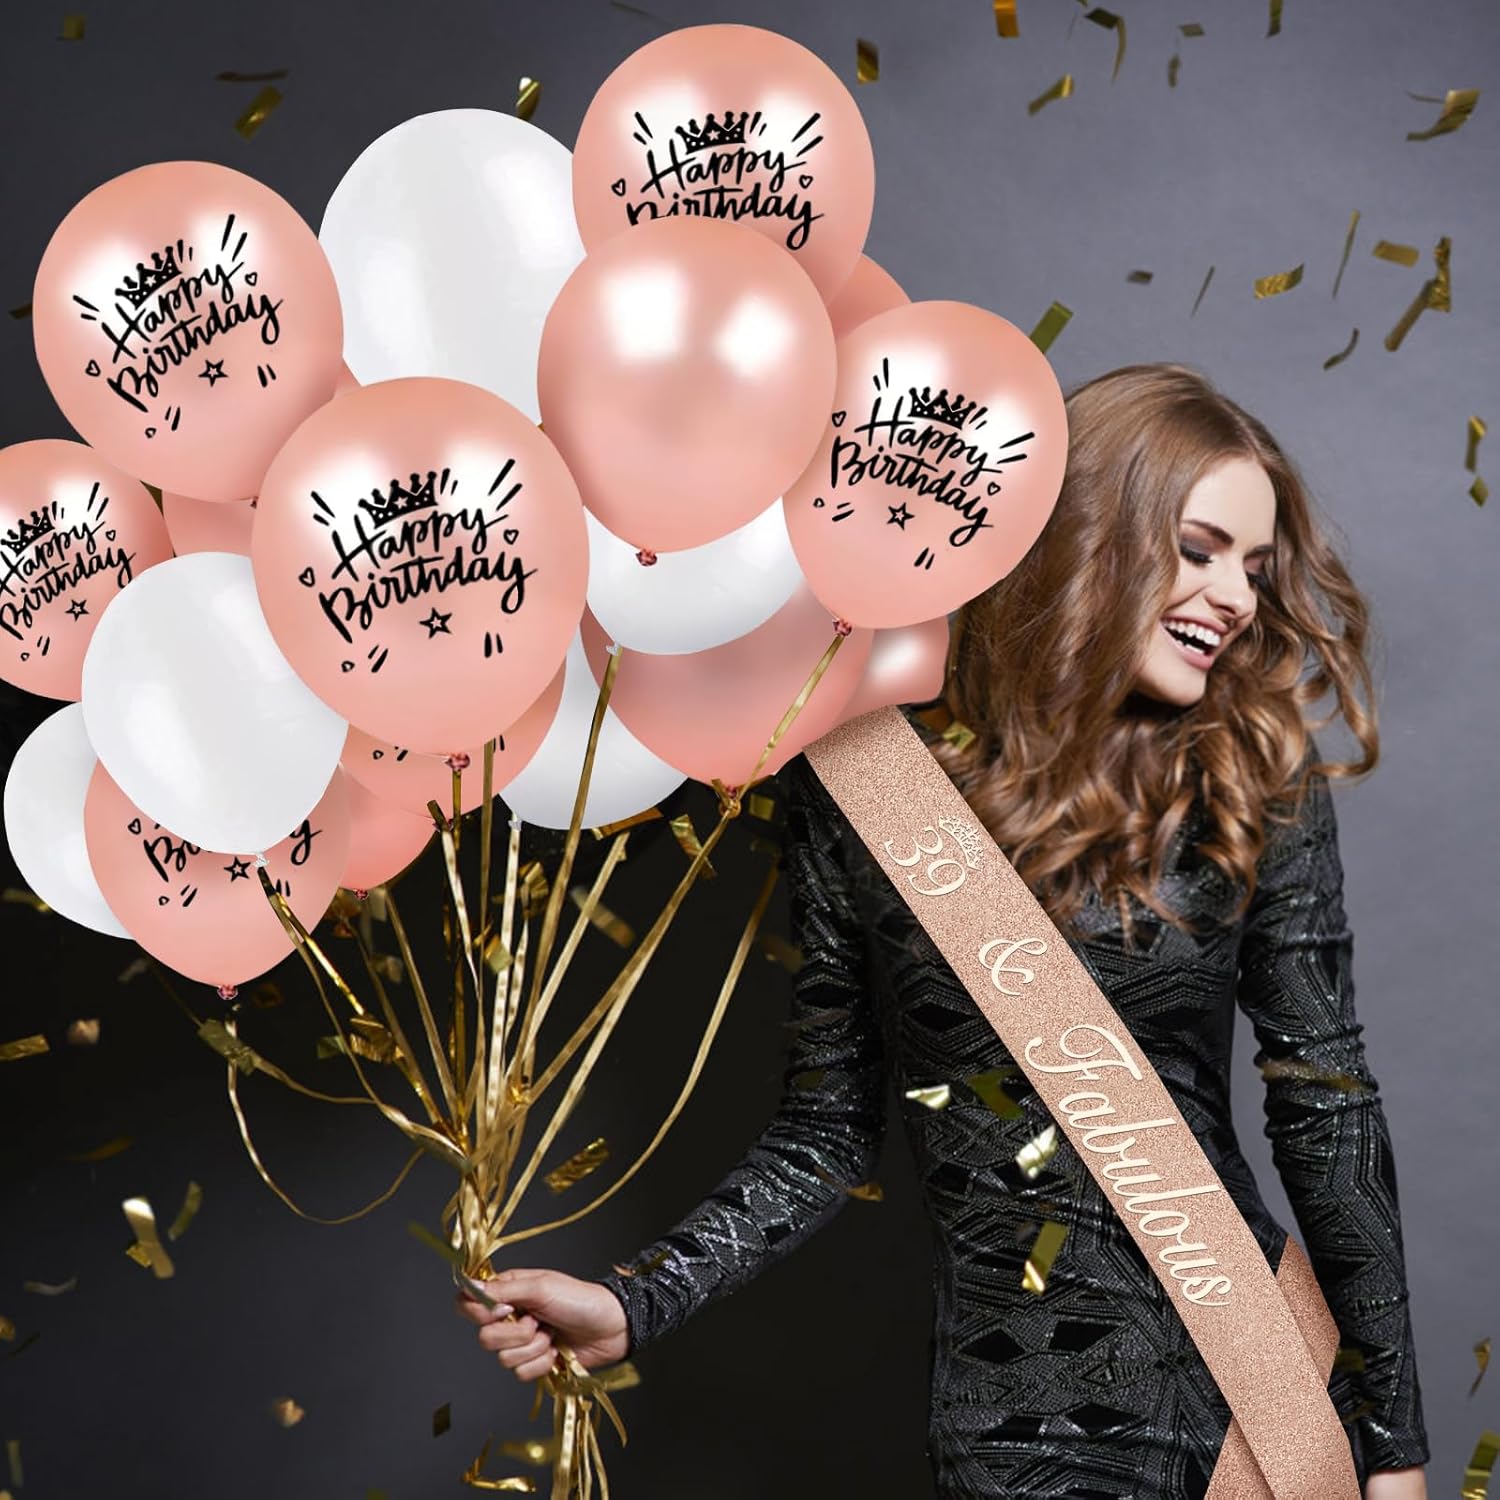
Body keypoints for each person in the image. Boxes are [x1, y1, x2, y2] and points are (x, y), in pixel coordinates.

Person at [457, 363, 1431, 1499]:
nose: (1237, 597)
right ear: (1093, 533)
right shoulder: (865, 781)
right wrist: (637, 1300)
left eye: (1254, 569)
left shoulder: (1254, 778)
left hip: (1254, 1393)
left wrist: (1394, 1448)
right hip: (1001, 1420)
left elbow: (1326, 1108)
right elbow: (826, 1133)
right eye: (1200, 549)